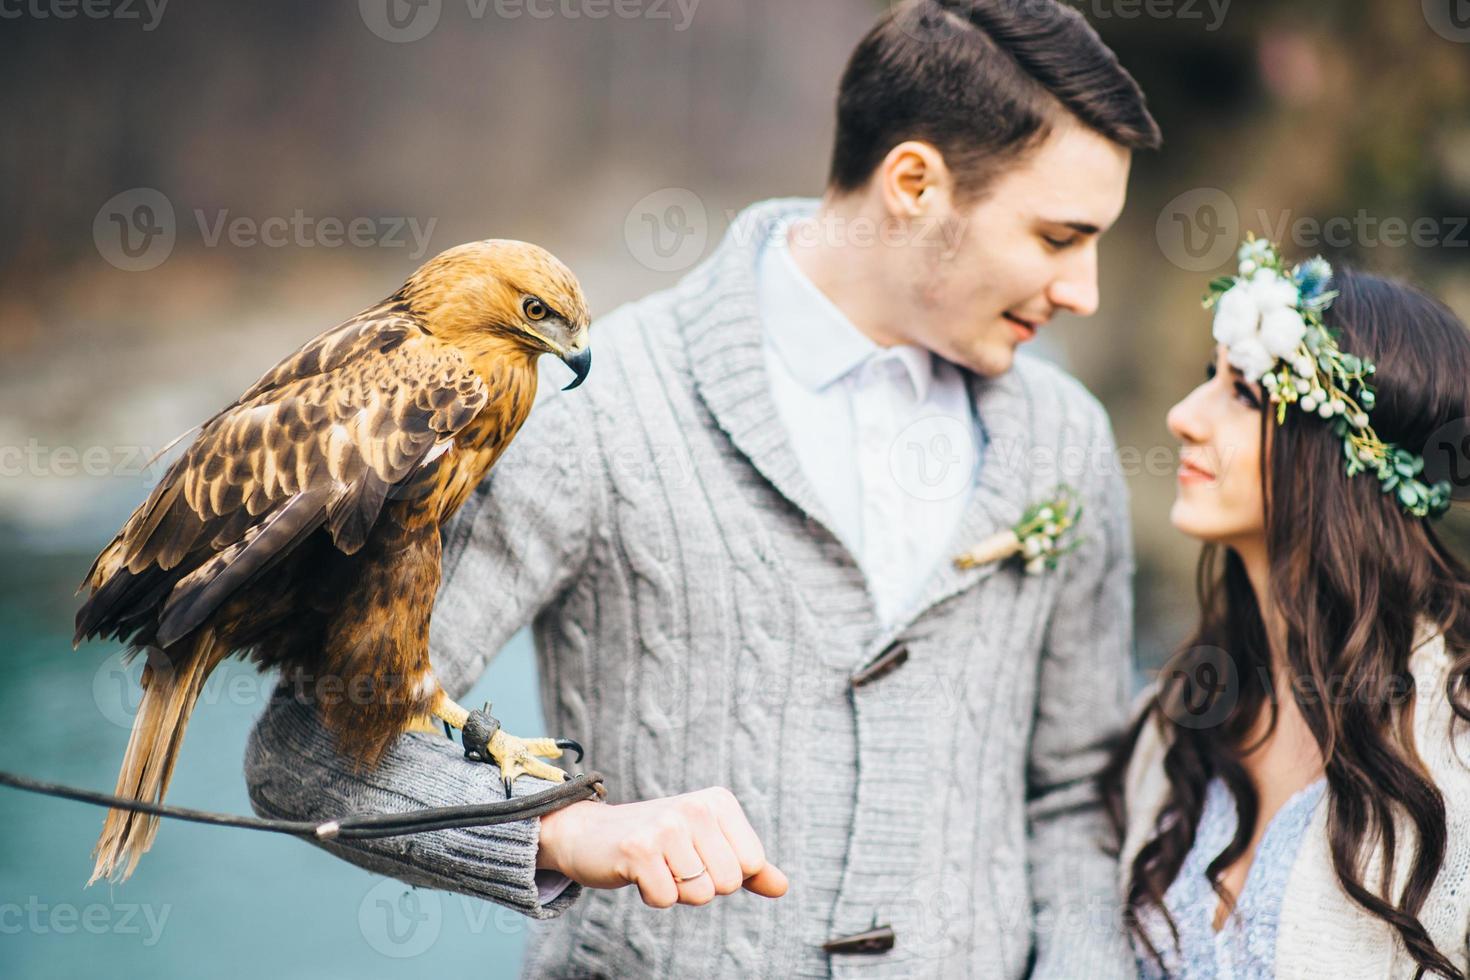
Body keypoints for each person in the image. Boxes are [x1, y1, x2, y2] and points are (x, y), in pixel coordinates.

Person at [245, 1, 1161, 975]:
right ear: (913, 183)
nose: (1085, 291)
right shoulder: (591, 414)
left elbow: (1074, 798)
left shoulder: (1066, 436)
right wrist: (557, 828)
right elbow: (307, 749)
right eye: (1060, 238)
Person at [1100, 238, 1470, 978]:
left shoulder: (1456, 743)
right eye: (1210, 378)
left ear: (1344, 455)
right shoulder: (1181, 718)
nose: (1181, 416)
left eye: (1243, 393)